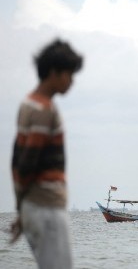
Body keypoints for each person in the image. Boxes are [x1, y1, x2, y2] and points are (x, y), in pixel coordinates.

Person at [10, 38, 83, 269]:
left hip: (34, 205)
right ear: (54, 72)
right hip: (48, 207)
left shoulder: (27, 105)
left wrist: (22, 208)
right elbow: (27, 163)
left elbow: (16, 162)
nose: (72, 81)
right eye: (69, 74)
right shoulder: (44, 110)